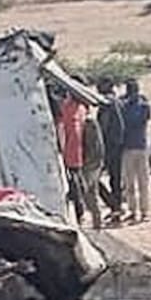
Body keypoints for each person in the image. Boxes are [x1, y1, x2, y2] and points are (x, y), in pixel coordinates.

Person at [56, 90, 103, 230]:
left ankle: (88, 222)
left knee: (84, 192)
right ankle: (97, 225)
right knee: (92, 193)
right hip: (89, 159)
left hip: (85, 160)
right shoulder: (83, 113)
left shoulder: (77, 114)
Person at [119, 78, 151, 222]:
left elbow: (131, 122)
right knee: (132, 182)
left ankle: (142, 211)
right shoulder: (140, 105)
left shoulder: (140, 106)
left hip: (136, 146)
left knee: (140, 181)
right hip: (134, 146)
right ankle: (136, 210)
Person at [96, 80, 124, 224]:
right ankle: (116, 208)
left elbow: (103, 127)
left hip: (109, 146)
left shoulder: (107, 104)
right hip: (119, 146)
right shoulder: (119, 102)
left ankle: (114, 205)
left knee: (94, 179)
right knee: (115, 180)